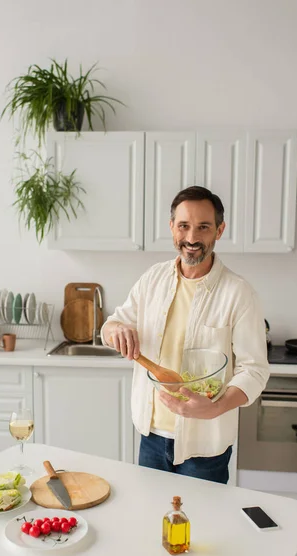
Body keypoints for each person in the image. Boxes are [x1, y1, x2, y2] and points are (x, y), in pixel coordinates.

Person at [101, 186, 269, 484]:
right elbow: (112, 325)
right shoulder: (152, 279)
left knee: (202, 527)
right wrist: (116, 329)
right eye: (184, 226)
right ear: (172, 227)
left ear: (219, 230)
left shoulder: (239, 293)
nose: (191, 238)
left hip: (205, 444)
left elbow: (254, 371)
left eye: (203, 227)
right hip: (151, 436)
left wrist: (214, 407)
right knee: (152, 521)